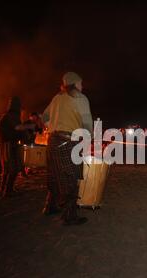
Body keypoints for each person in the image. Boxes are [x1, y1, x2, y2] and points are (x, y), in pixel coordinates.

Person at [42, 72, 93, 225]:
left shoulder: (57, 97)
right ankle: (69, 216)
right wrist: (89, 135)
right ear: (75, 83)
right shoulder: (80, 98)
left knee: (54, 175)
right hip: (69, 141)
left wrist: (51, 127)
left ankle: (50, 207)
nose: (82, 86)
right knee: (70, 177)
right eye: (80, 83)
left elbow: (44, 117)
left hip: (52, 141)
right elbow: (87, 122)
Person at [0, 97, 29, 197]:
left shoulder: (8, 116)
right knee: (13, 168)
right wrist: (28, 128)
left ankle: (4, 188)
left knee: (7, 168)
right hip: (9, 145)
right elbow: (17, 128)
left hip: (8, 144)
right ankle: (8, 190)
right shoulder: (11, 117)